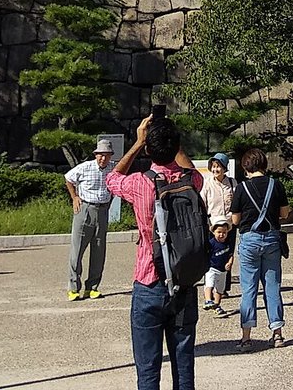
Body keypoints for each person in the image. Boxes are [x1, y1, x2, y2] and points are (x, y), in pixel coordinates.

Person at [106, 114, 203, 389]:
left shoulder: (140, 183)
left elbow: (112, 179)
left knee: (148, 371)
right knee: (184, 368)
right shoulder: (191, 181)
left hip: (149, 282)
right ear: (176, 146)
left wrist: (138, 142)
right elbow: (191, 169)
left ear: (149, 149)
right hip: (184, 281)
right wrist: (173, 138)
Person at [230, 146, 293, 350]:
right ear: (264, 164)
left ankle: (246, 337)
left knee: (248, 289)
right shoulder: (276, 185)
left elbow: (235, 219)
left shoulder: (241, 188)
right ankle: (277, 334)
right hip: (272, 240)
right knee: (272, 287)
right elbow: (284, 214)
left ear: (246, 167)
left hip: (249, 240)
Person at [64, 139, 116, 301]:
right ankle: (73, 287)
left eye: (106, 155)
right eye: (100, 155)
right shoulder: (85, 167)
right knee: (77, 248)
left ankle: (92, 287)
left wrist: (110, 201)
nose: (103, 158)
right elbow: (69, 179)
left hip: (102, 209)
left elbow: (115, 185)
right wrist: (74, 197)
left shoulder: (113, 169)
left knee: (99, 249)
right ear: (95, 155)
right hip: (85, 209)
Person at [203, 221, 234, 314]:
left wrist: (230, 262)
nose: (222, 234)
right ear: (214, 232)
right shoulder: (211, 243)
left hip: (223, 270)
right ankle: (208, 300)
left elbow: (231, 255)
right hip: (211, 268)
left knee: (220, 289)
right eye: (219, 232)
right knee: (209, 284)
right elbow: (205, 253)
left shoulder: (228, 243)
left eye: (224, 232)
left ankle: (216, 305)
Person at [200, 152, 234, 227]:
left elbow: (236, 203)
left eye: (218, 167)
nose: (215, 169)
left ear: (224, 168)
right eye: (213, 166)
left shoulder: (232, 182)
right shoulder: (206, 183)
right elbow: (202, 205)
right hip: (213, 225)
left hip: (229, 225)